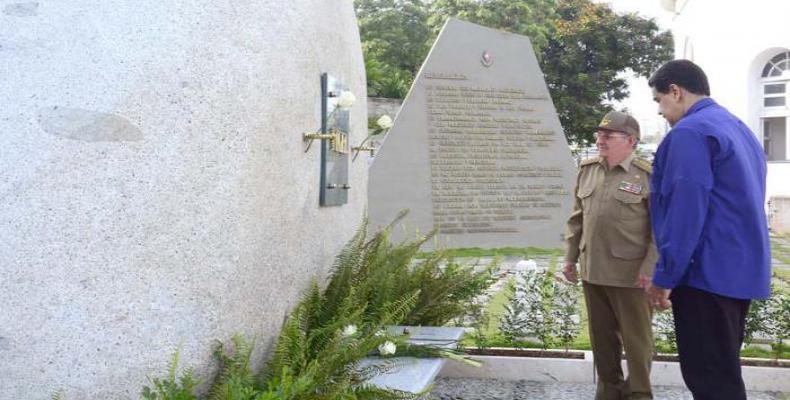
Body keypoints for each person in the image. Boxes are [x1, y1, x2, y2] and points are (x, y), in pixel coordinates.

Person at [646, 59, 771, 400]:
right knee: (723, 373)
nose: (660, 111)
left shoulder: (690, 132)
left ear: (676, 91)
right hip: (736, 271)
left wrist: (665, 277)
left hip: (704, 274)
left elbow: (685, 210)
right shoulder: (736, 127)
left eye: (659, 100)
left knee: (711, 380)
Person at [564, 111, 658, 400]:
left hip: (631, 275)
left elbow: (660, 230)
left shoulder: (646, 175)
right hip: (594, 270)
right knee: (602, 342)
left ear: (630, 140)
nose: (600, 140)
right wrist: (570, 257)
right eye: (599, 135)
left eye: (608, 136)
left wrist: (650, 268)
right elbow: (577, 218)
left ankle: (639, 394)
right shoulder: (587, 169)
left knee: (637, 343)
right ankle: (608, 392)